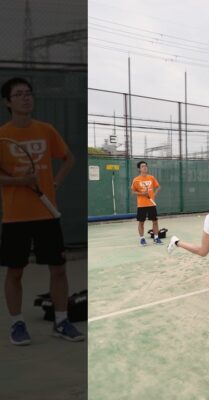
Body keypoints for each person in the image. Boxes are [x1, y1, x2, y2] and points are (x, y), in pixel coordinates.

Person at [0, 77, 84, 345]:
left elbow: (68, 158)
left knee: (58, 269)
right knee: (15, 272)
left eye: (29, 93)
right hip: (15, 217)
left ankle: (61, 321)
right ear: (8, 102)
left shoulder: (46, 130)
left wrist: (55, 183)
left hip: (47, 214)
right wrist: (18, 182)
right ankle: (17, 324)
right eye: (19, 94)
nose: (26, 98)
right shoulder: (3, 136)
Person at [131, 161, 163, 246]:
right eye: (142, 166)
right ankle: (142, 239)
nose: (145, 167)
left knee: (155, 221)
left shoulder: (151, 178)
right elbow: (133, 192)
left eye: (145, 166)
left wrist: (154, 194)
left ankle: (156, 238)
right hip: (141, 205)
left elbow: (158, 187)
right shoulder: (136, 180)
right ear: (139, 169)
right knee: (141, 222)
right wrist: (142, 193)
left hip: (151, 204)